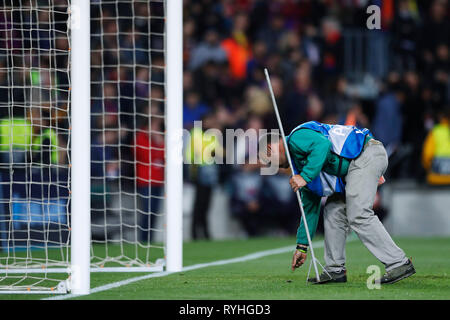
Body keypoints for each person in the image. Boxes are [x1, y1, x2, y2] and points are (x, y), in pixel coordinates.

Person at [261, 121, 415, 284]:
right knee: (333, 211)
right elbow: (309, 210)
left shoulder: (295, 138)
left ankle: (398, 263)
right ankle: (335, 270)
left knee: (359, 213)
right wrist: (302, 246)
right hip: (356, 164)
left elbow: (323, 144)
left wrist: (306, 176)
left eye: (268, 159)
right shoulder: (300, 166)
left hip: (365, 154)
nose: (272, 166)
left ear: (271, 147)